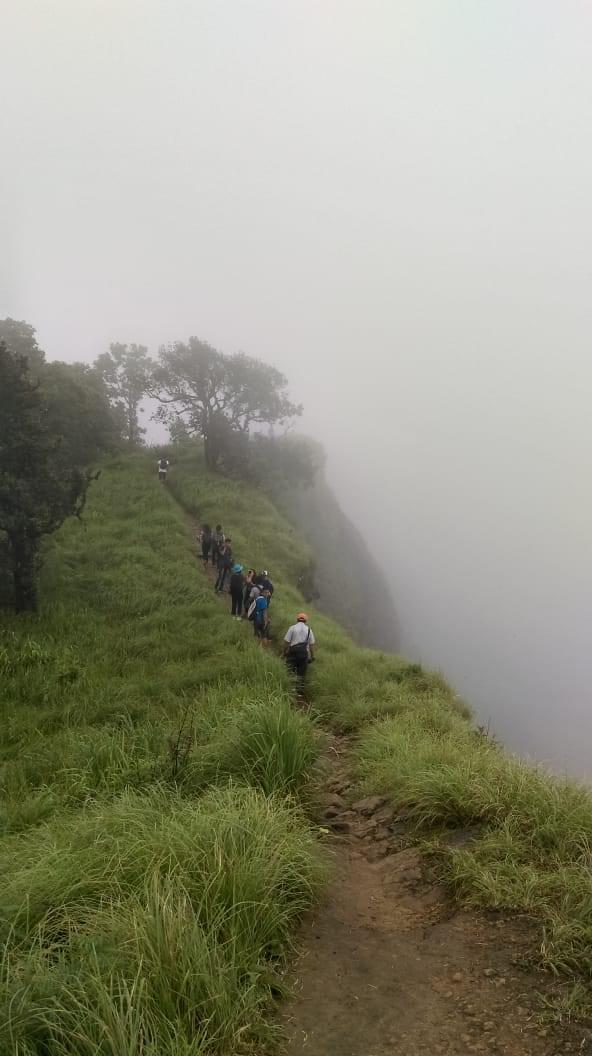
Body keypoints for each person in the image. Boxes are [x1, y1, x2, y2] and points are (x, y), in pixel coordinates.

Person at [283, 613, 316, 681]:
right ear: (305, 620)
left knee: (289, 672)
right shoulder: (309, 630)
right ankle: (299, 689)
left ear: (297, 619)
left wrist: (285, 652)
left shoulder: (292, 628)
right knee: (301, 675)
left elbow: (286, 642)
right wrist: (312, 657)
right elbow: (311, 645)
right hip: (303, 654)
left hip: (292, 652)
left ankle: (288, 687)